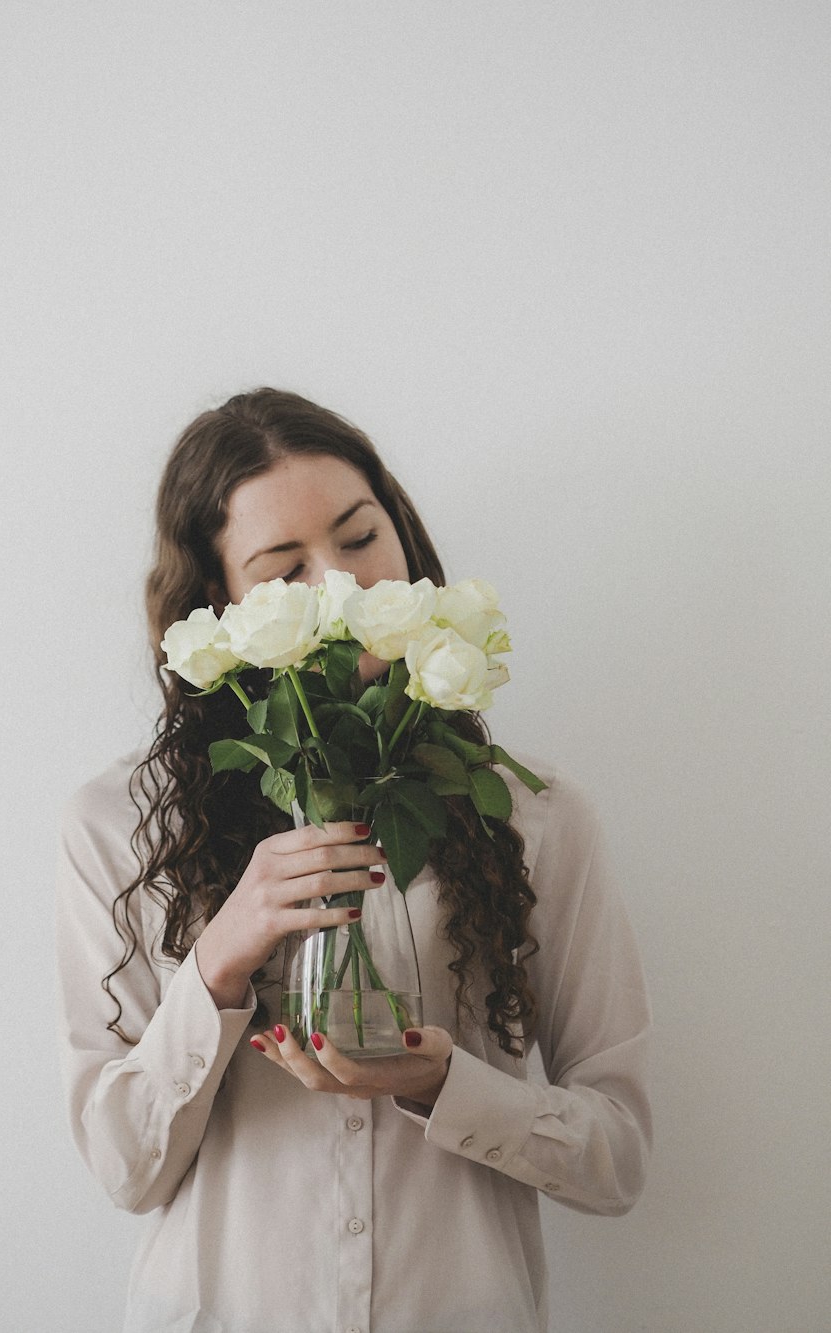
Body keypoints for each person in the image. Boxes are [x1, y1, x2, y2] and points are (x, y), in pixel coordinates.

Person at [55, 388, 652, 1333]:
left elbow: (617, 1156)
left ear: (403, 535)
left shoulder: (536, 816)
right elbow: (125, 1166)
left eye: (359, 536)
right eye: (284, 567)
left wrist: (441, 1085)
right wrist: (217, 965)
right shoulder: (118, 828)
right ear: (221, 603)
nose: (342, 589)